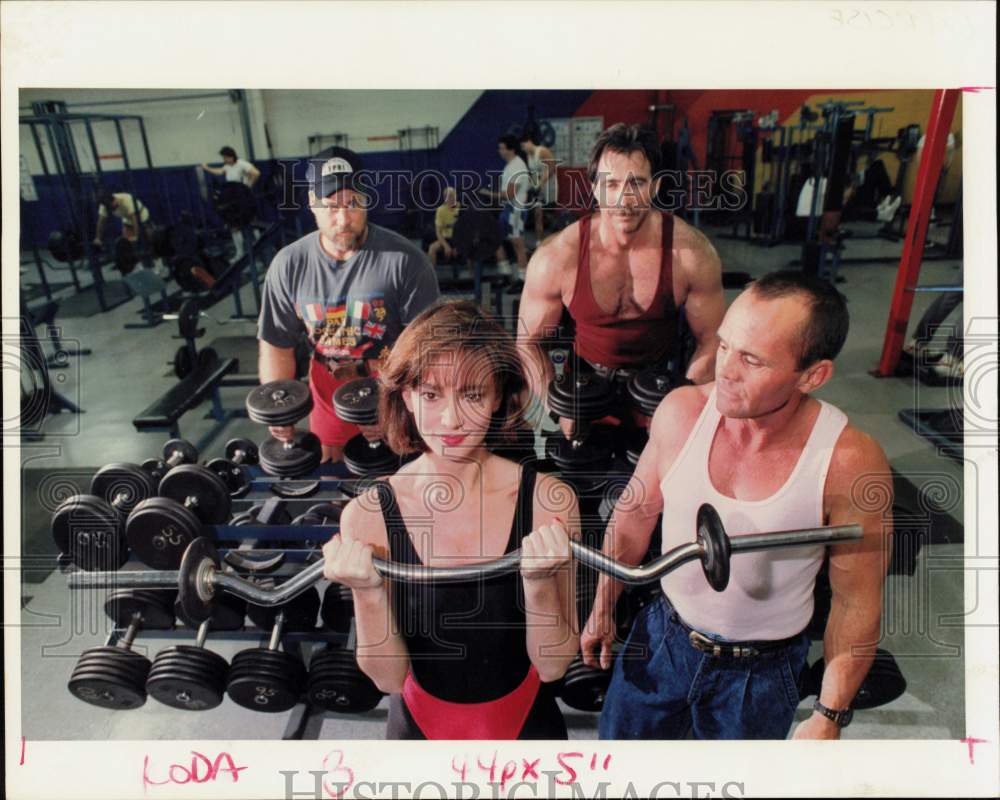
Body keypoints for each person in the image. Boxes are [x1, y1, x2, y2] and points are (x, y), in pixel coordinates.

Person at [581, 271, 893, 740]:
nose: (724, 370)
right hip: (662, 638)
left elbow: (856, 602)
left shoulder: (849, 462)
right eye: (725, 345)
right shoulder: (682, 413)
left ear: (813, 375)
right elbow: (633, 517)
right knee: (621, 769)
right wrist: (603, 605)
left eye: (751, 358)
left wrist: (829, 715)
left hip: (762, 673)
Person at [321, 300, 580, 739]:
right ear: (405, 395)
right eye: (431, 394)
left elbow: (553, 666)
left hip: (525, 727)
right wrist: (366, 592)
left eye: (473, 394)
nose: (452, 419)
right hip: (419, 729)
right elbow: (386, 680)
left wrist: (538, 585)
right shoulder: (368, 517)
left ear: (499, 396)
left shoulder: (548, 500)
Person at [515, 123, 725, 433]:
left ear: (655, 187)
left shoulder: (691, 254)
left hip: (659, 388)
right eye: (611, 184)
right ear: (595, 188)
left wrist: (684, 403)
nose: (623, 200)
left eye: (636, 183)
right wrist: (557, 403)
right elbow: (527, 342)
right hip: (585, 389)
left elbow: (713, 340)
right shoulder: (558, 257)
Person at [257, 146, 440, 464]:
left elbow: (426, 350)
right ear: (312, 204)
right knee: (336, 488)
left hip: (395, 398)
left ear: (367, 200)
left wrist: (393, 406)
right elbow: (277, 345)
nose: (343, 219)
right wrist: (280, 408)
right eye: (331, 206)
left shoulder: (405, 261)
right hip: (329, 402)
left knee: (400, 491)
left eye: (353, 203)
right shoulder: (288, 265)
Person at [478, 135, 532, 277]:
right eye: (500, 148)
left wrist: (487, 193)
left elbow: (509, 194)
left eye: (502, 148)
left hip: (516, 211)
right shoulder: (510, 166)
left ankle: (523, 280)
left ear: (511, 149)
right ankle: (505, 274)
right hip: (508, 209)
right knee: (494, 239)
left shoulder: (518, 166)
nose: (499, 151)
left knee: (518, 245)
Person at [520, 130, 559, 240]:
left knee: (547, 215)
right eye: (521, 147)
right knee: (538, 215)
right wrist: (530, 185)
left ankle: (553, 238)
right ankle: (539, 240)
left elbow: (551, 168)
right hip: (538, 189)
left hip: (549, 187)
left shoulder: (542, 151)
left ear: (529, 142)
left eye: (523, 146)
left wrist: (541, 183)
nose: (523, 149)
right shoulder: (528, 156)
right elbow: (533, 173)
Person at [427, 186, 460, 267]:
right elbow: (438, 232)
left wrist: (459, 245)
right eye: (448, 197)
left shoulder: (461, 208)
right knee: (432, 248)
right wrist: (446, 246)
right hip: (445, 239)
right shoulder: (440, 210)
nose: (451, 199)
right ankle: (432, 276)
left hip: (459, 239)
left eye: (452, 196)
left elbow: (466, 229)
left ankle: (473, 275)